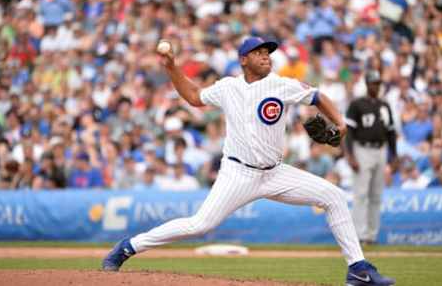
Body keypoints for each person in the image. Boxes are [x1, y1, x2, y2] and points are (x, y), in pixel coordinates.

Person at [102, 37, 395, 286]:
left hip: (275, 172)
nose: (266, 57)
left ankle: (358, 270)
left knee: (333, 196)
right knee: (199, 225)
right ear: (244, 60)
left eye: (268, 53)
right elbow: (193, 96)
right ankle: (128, 247)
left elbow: (317, 96)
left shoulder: (282, 85)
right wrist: (172, 68)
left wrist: (340, 123)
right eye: (258, 53)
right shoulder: (228, 87)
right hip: (238, 173)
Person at [345, 71, 397, 246]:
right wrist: (350, 155)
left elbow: (391, 131)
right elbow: (349, 132)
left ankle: (372, 236)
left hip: (381, 150)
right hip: (362, 149)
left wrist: (394, 155)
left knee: (376, 195)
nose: (376, 86)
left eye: (378, 83)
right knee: (360, 194)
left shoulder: (384, 105)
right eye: (374, 83)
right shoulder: (357, 104)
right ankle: (359, 235)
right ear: (367, 84)